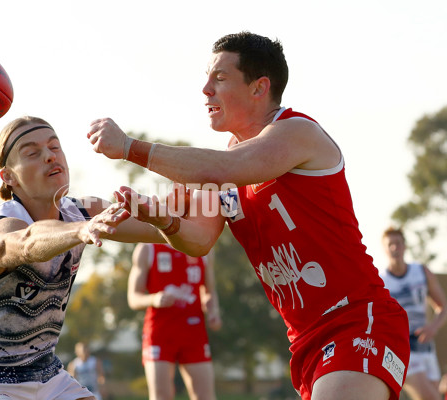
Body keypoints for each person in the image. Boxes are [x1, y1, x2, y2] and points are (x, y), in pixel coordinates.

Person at [87, 31, 410, 400]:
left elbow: (226, 166)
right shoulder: (226, 167)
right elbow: (198, 238)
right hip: (306, 339)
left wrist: (129, 147)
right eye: (207, 79)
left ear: (260, 88)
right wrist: (97, 219)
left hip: (359, 321)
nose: (205, 89)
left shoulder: (295, 132)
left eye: (220, 78)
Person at [0, 116, 168, 400]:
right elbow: (26, 242)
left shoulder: (85, 210)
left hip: (47, 375)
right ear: (8, 177)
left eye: (54, 147)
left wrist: (221, 200)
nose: (50, 157)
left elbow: (167, 225)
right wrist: (81, 230)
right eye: (32, 153)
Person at [129, 243, 221, 400]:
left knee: (205, 396)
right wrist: (154, 298)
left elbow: (209, 291)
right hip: (160, 333)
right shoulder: (147, 248)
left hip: (194, 332)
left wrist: (213, 312)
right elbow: (133, 298)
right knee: (161, 396)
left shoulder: (203, 247)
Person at [380, 227, 447, 400]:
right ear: (385, 249)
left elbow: (443, 307)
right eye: (391, 244)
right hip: (402, 350)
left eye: (398, 243)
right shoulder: (381, 281)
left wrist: (433, 327)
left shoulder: (422, 272)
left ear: (405, 246)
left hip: (426, 347)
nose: (395, 248)